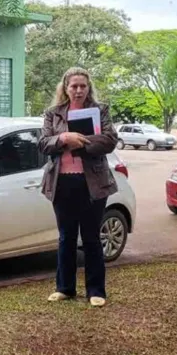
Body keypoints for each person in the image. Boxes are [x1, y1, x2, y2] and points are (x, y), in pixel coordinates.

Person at [37, 67, 118, 307]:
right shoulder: (53, 113)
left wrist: (79, 142)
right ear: (65, 87)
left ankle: (96, 290)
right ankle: (65, 288)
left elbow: (110, 140)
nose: (79, 90)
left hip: (92, 182)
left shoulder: (100, 110)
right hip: (61, 182)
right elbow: (43, 143)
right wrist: (62, 139)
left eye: (83, 86)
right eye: (74, 86)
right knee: (66, 237)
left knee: (92, 237)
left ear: (89, 87)